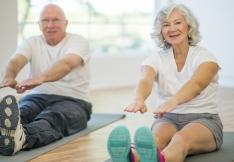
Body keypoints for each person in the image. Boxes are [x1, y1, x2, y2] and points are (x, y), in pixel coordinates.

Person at [107, 3, 223, 162]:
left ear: (188, 26)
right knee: (155, 139)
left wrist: (173, 101)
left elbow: (197, 84)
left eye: (177, 22)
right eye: (166, 25)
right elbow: (145, 79)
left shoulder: (206, 57)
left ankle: (159, 160)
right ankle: (131, 157)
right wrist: (139, 99)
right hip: (169, 118)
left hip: (204, 119)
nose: (172, 28)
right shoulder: (157, 57)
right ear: (161, 32)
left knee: (181, 139)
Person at [0, 4, 92, 156]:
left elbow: (67, 64)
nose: (50, 25)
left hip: (75, 101)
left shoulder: (78, 41)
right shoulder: (31, 42)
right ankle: (7, 135)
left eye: (55, 20)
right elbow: (16, 61)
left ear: (66, 23)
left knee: (52, 118)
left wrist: (40, 78)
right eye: (45, 20)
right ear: (39, 24)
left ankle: (21, 139)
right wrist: (9, 76)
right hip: (37, 97)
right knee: (23, 112)